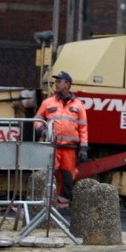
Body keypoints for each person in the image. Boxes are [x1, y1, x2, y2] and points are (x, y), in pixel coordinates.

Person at [33, 71, 88, 202]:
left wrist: (84, 148)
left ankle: (63, 202)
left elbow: (83, 127)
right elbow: (37, 119)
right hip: (53, 146)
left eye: (59, 81)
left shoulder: (78, 105)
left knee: (68, 176)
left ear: (67, 84)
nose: (56, 84)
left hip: (70, 148)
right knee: (49, 174)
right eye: (56, 81)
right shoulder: (48, 102)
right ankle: (45, 201)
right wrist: (41, 129)